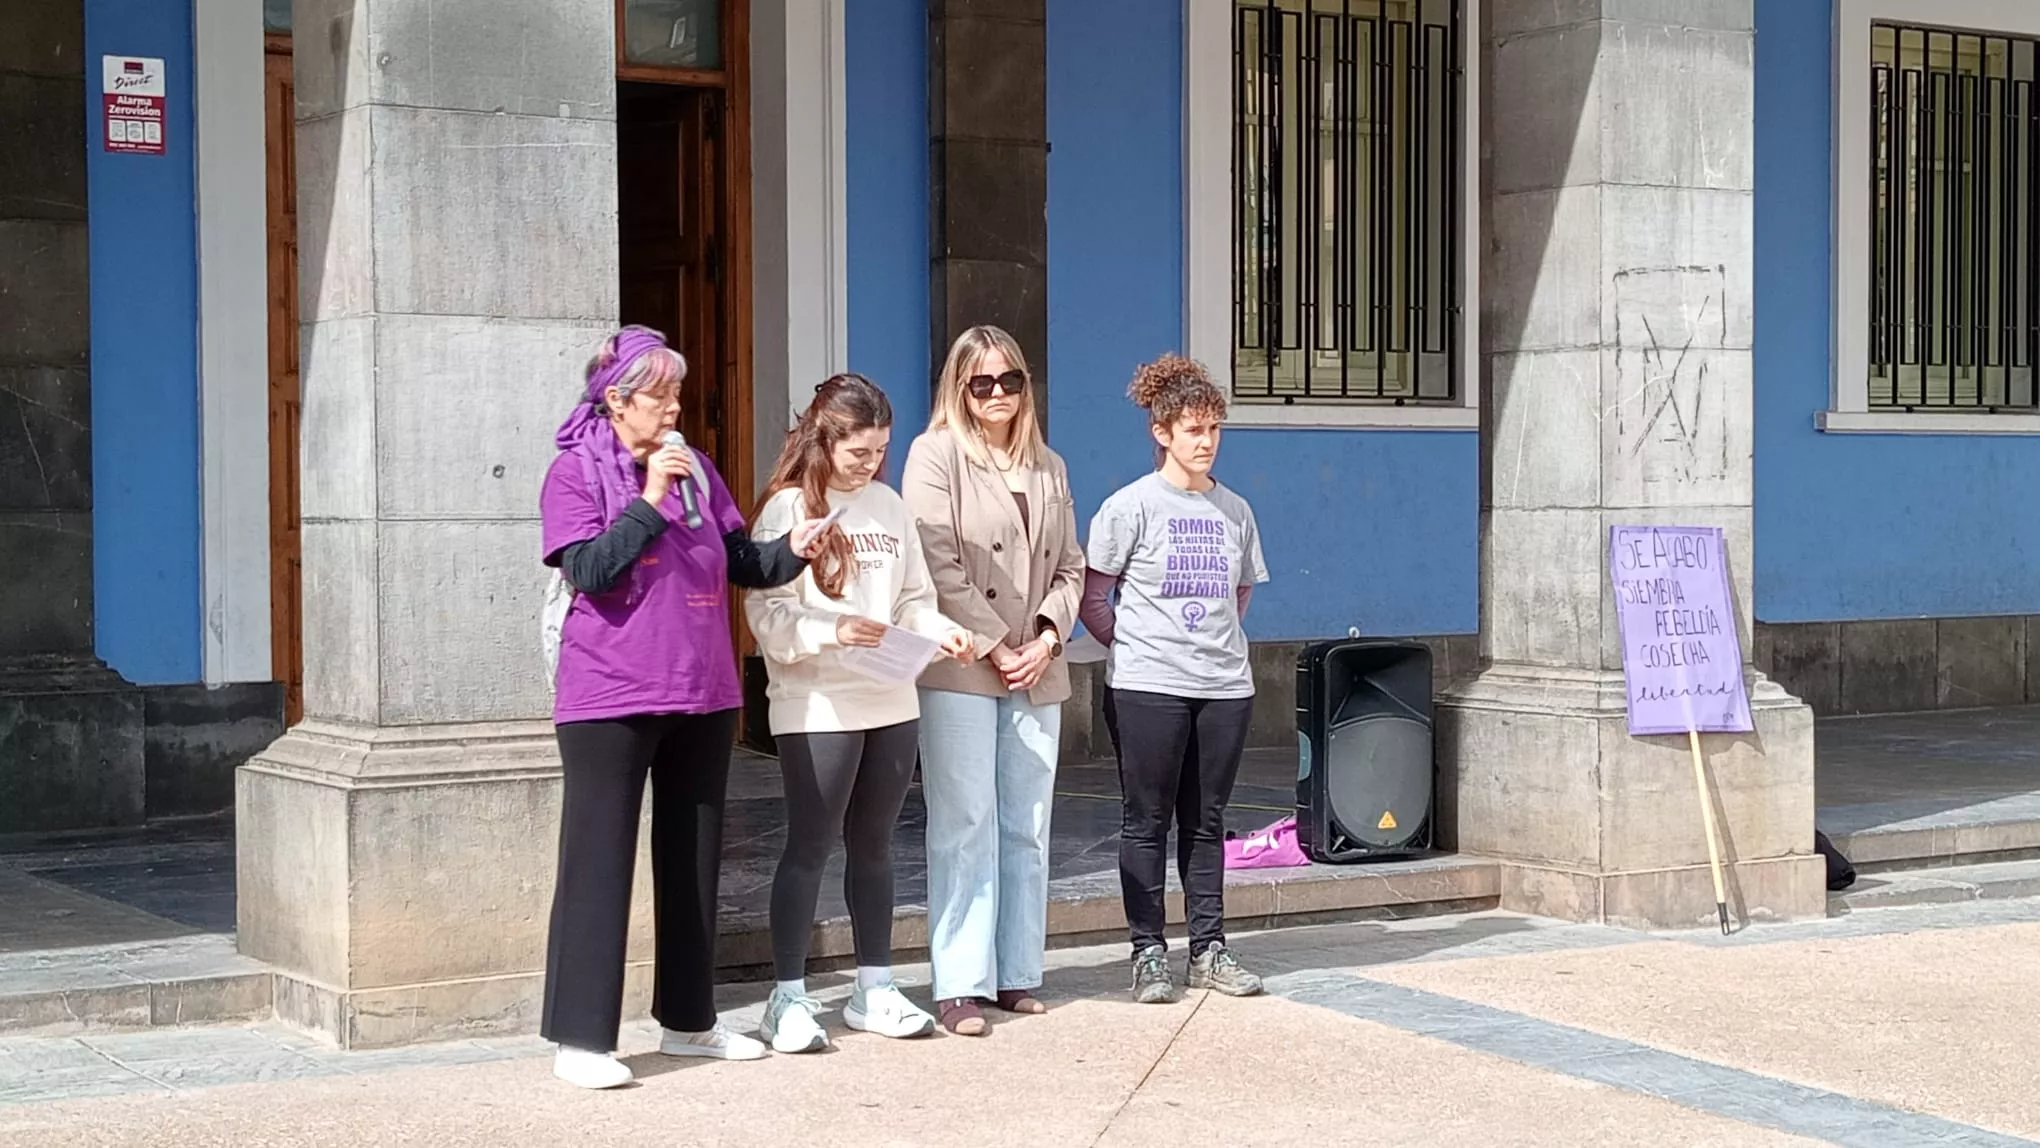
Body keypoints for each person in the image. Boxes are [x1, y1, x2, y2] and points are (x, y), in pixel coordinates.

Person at [538, 326, 829, 1090]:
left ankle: (691, 1022)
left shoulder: (697, 466)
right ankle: (580, 1039)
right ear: (616, 401)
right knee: (598, 860)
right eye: (658, 395)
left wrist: (797, 545)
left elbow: (742, 563)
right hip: (608, 692)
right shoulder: (574, 472)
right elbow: (594, 572)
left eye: (675, 393)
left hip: (700, 687)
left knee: (695, 856)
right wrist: (651, 501)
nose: (673, 408)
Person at [745, 373, 973, 1053]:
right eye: (858, 452)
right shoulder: (787, 510)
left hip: (889, 696)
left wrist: (936, 630)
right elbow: (765, 609)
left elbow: (911, 596)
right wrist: (832, 631)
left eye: (879, 451)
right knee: (811, 845)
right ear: (825, 438)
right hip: (817, 700)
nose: (870, 463)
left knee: (875, 846)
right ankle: (786, 996)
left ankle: (874, 986)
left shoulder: (889, 506)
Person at [901, 326, 1086, 1036]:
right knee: (965, 822)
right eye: (982, 383)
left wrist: (1044, 635)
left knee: (1028, 827)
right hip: (961, 666)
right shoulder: (933, 455)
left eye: (1010, 379)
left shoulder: (1048, 464)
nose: (999, 394)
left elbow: (1071, 564)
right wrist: (995, 642)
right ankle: (959, 982)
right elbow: (935, 562)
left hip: (1036, 668)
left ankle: (1016, 972)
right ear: (959, 389)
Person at [1078, 353, 1270, 1005]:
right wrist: (1137, 648)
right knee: (1146, 821)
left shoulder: (1236, 511)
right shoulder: (1129, 507)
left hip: (1223, 687)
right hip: (1145, 686)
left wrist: (1205, 646)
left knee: (1207, 821)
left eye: (1214, 429)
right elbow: (1094, 596)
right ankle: (1148, 951)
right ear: (1162, 432)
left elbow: (1238, 592)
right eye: (1194, 430)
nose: (1207, 442)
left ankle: (1209, 947)